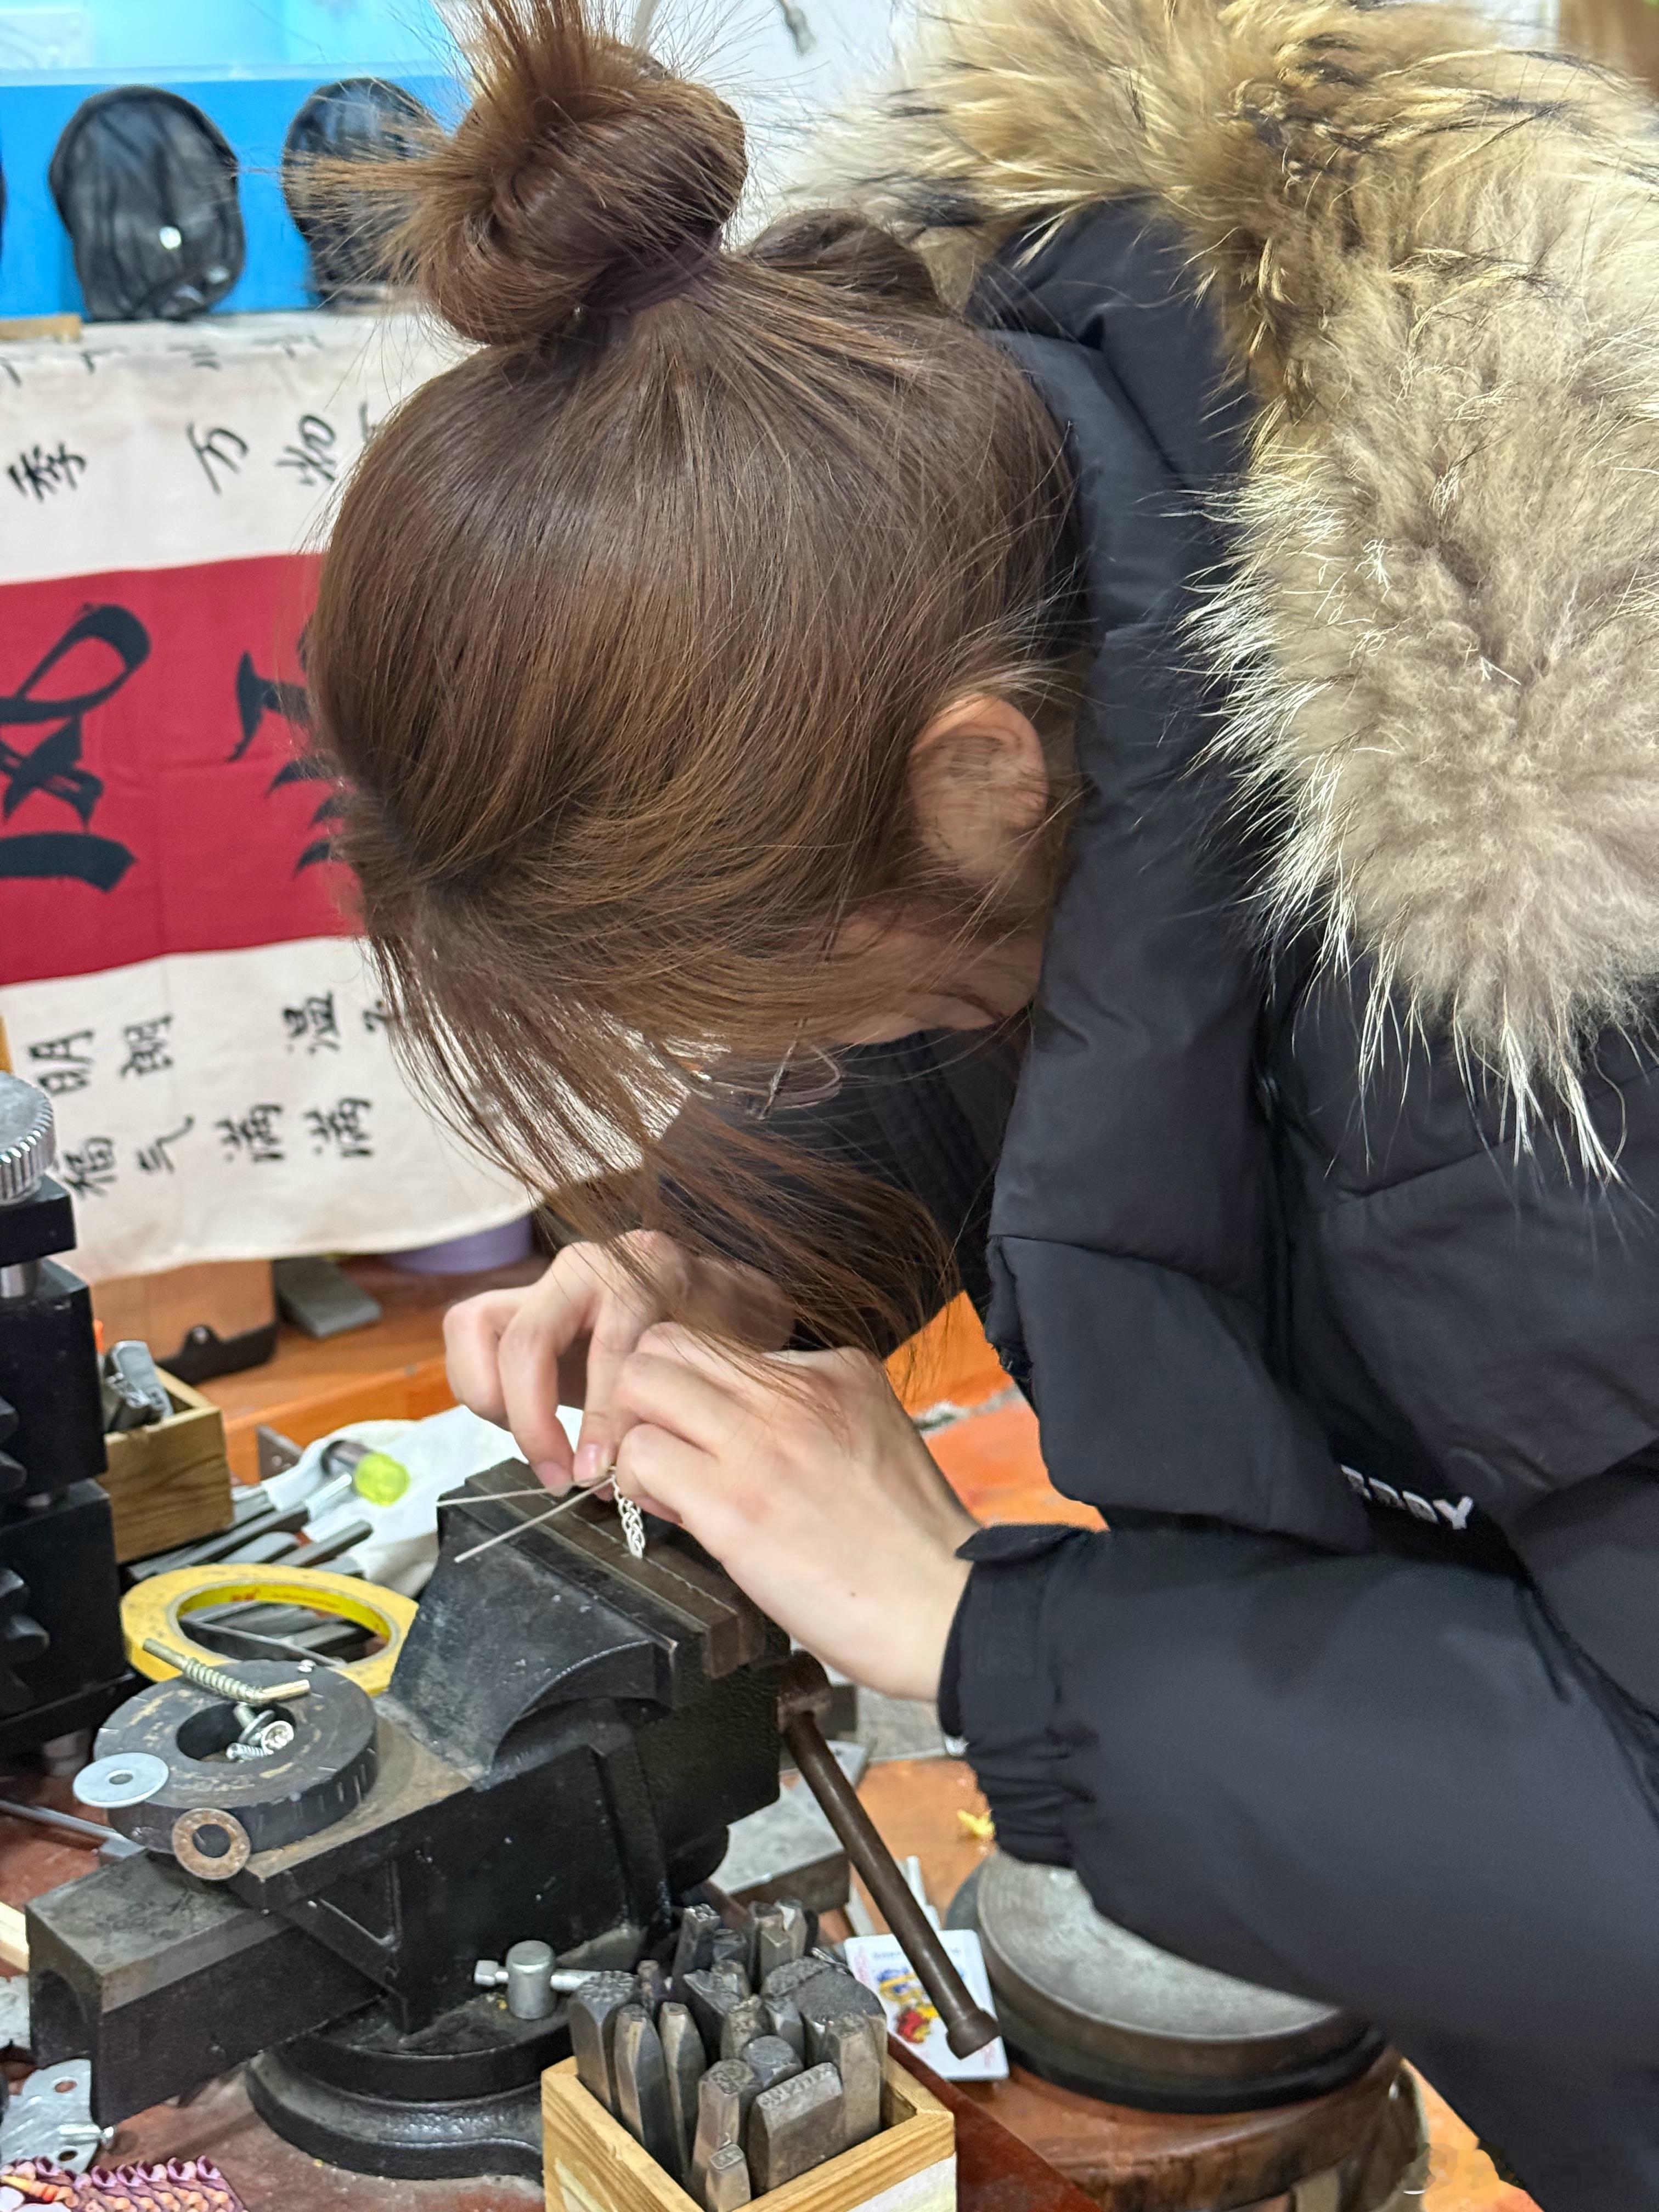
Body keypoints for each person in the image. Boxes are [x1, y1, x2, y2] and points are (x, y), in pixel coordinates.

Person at [308, 0, 1659, 2198]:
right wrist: (713, 1249)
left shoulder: (1553, 957)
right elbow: (1094, 996)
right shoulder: (1047, 529)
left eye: (770, 991)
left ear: (974, 774)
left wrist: (975, 1625)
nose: (781, 1037)